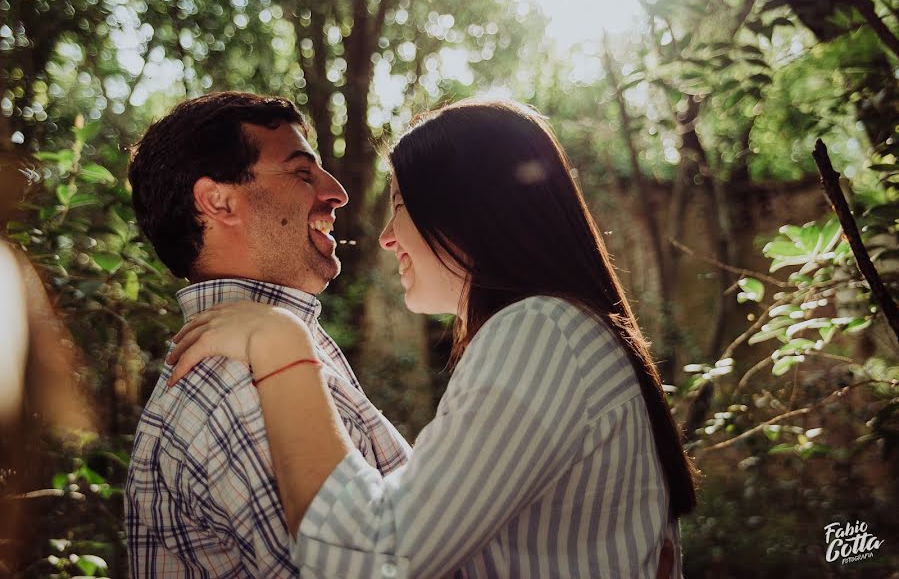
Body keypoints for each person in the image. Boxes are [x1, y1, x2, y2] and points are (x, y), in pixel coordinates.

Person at [167, 99, 698, 578]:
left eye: (399, 203)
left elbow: (377, 558)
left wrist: (282, 347)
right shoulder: (551, 331)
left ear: (466, 210)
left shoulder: (540, 332)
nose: (385, 236)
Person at [123, 92, 410, 576]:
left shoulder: (270, 346)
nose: (336, 191)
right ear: (219, 201)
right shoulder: (238, 380)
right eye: (302, 172)